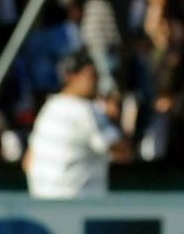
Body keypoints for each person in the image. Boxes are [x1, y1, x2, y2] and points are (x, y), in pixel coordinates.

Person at [24, 49, 130, 198]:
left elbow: (28, 161)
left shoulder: (50, 106)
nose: (97, 81)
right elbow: (124, 153)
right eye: (92, 75)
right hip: (78, 205)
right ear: (71, 76)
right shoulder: (86, 111)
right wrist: (114, 118)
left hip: (42, 203)